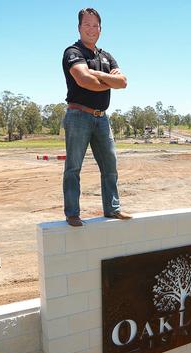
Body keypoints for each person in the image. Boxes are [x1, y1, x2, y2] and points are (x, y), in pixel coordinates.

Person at [61, 7, 132, 226]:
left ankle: (112, 209)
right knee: (73, 167)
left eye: (95, 25)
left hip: (102, 118)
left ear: (100, 29)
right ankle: (72, 213)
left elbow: (123, 82)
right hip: (78, 115)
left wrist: (98, 74)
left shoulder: (106, 56)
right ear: (79, 27)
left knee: (110, 166)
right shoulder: (73, 52)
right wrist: (108, 80)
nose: (91, 29)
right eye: (87, 25)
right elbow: (84, 81)